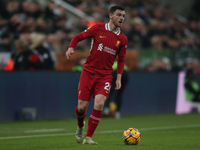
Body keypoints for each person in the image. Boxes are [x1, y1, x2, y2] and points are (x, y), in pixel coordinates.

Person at [66, 5, 127, 145]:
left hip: (105, 75)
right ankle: (80, 125)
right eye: (119, 15)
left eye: (123, 16)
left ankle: (88, 137)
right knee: (81, 108)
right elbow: (78, 37)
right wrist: (71, 47)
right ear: (111, 15)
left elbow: (121, 60)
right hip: (88, 71)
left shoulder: (123, 39)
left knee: (99, 104)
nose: (122, 18)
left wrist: (118, 78)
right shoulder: (97, 28)